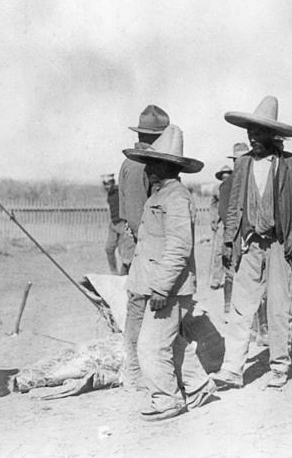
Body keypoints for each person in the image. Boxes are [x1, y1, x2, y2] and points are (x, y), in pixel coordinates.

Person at [122, 124, 216, 421]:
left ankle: (167, 399)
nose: (147, 168)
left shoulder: (176, 198)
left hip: (170, 289)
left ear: (167, 166)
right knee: (172, 343)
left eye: (152, 163)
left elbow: (178, 248)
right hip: (158, 285)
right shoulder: (160, 195)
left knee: (151, 346)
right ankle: (199, 387)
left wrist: (161, 289)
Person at [215, 96, 292, 390]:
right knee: (241, 307)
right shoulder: (242, 164)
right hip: (250, 243)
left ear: (272, 135)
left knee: (278, 307)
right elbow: (233, 206)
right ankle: (232, 370)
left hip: (280, 244)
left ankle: (279, 366)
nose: (253, 138)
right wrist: (229, 240)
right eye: (250, 133)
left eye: (259, 133)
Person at [118, 104, 170, 390]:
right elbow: (139, 218)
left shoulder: (134, 162)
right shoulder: (142, 165)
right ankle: (136, 373)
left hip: (140, 246)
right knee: (141, 307)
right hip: (144, 248)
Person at [209, 165, 233, 295]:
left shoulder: (235, 188)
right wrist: (213, 220)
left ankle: (230, 277)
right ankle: (216, 279)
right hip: (221, 224)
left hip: (233, 223)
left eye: (228, 176)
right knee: (218, 251)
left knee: (231, 250)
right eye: (223, 177)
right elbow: (213, 205)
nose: (226, 179)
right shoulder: (216, 188)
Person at [101, 174, 129, 275]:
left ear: (113, 183)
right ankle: (114, 272)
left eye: (108, 184)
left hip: (122, 224)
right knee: (109, 249)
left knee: (124, 252)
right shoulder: (109, 194)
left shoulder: (119, 192)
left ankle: (124, 275)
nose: (106, 186)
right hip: (113, 225)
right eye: (104, 184)